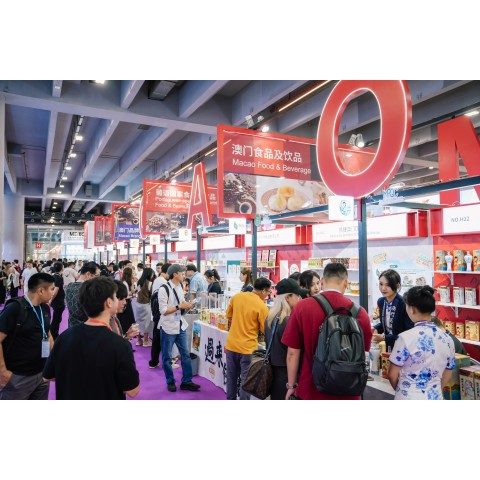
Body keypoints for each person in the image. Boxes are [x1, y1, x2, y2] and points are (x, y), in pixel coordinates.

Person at [282, 263, 372, 400]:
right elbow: (364, 354)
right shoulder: (360, 313)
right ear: (346, 283)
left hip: (311, 389)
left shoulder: (302, 307)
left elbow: (292, 353)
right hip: (349, 392)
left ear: (323, 281)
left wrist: (291, 385)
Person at [43, 277, 140, 400]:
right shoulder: (120, 345)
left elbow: (48, 376)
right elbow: (132, 390)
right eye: (116, 297)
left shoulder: (64, 337)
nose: (122, 301)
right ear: (109, 302)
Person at [388, 286, 456, 400]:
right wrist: (435, 389)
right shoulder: (447, 339)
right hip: (435, 397)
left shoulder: (405, 338)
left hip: (408, 397)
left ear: (412, 309)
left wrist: (400, 390)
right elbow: (448, 372)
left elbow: (392, 375)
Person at [0, 273, 55, 400]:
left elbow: (48, 335)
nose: (53, 293)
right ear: (41, 291)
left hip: (42, 374)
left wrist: (53, 363)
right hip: (18, 376)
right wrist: (3, 372)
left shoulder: (45, 308)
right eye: (52, 289)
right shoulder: (14, 308)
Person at [225, 277, 271, 400]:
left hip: (232, 344)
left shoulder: (237, 297)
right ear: (263, 291)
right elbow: (265, 330)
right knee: (245, 381)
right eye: (268, 292)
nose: (268, 295)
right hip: (248, 348)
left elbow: (228, 316)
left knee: (231, 377)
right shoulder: (262, 306)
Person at [158, 264, 200, 393]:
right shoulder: (164, 289)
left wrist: (187, 305)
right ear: (175, 274)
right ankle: (170, 381)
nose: (184, 275)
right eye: (182, 273)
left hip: (180, 325)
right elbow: (163, 310)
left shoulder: (181, 286)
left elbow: (181, 304)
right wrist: (179, 307)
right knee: (167, 357)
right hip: (168, 327)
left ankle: (186, 381)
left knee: (185, 355)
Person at [264, 278, 306, 400]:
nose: (300, 299)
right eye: (297, 296)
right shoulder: (289, 321)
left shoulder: (270, 318)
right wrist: (292, 383)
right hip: (288, 373)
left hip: (273, 371)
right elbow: (292, 353)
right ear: (287, 297)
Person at [372, 269, 414, 350]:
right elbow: (387, 324)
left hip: (404, 348)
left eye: (388, 285)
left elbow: (409, 333)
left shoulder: (404, 304)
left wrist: (384, 338)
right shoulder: (381, 301)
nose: (383, 288)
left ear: (397, 285)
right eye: (381, 284)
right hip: (389, 347)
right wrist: (376, 328)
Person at [149, 263, 171, 369]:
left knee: (157, 338)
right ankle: (159, 361)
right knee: (161, 338)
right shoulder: (164, 282)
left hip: (156, 313)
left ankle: (154, 361)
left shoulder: (157, 280)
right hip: (161, 313)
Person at [65, 262, 100, 328]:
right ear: (88, 274)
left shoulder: (69, 286)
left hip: (72, 326)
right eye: (97, 276)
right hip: (86, 328)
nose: (98, 279)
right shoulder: (88, 290)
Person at [135, 267, 155, 347]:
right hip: (146, 304)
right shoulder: (149, 283)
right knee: (146, 323)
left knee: (138, 322)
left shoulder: (139, 282)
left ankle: (139, 340)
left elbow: (137, 292)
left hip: (138, 304)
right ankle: (146, 341)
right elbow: (152, 294)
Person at [49, 262, 66, 340]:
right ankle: (54, 335)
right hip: (58, 301)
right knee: (57, 319)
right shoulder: (58, 277)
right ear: (62, 268)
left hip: (57, 300)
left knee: (56, 318)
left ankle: (53, 333)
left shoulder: (54, 276)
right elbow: (55, 291)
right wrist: (50, 300)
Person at [118, 266, 136, 336]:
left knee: (128, 320)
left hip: (127, 302)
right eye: (132, 273)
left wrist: (132, 283)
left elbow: (131, 291)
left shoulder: (126, 282)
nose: (133, 275)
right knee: (126, 320)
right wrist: (131, 296)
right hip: (126, 303)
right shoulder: (124, 283)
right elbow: (125, 295)